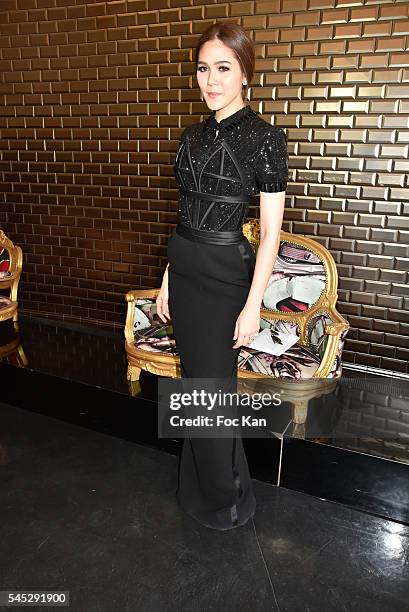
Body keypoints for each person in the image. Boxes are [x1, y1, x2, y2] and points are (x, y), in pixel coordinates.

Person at [156, 22, 289, 531]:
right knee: (197, 384)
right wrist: (169, 275)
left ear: (245, 74)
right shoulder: (192, 135)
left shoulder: (265, 139)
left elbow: (272, 234)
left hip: (224, 274)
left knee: (212, 388)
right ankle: (201, 487)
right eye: (203, 69)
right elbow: (184, 213)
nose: (211, 80)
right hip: (184, 266)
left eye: (223, 68)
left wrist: (255, 303)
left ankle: (226, 498)